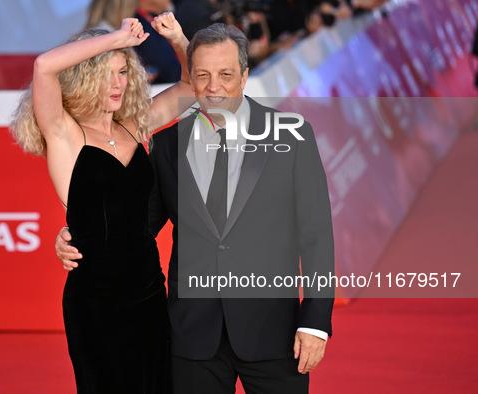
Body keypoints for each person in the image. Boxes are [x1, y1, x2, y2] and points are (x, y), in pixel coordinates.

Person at [57, 23, 334, 393]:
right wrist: (80, 233)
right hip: (191, 338)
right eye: (202, 75)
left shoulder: (292, 135)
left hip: (274, 334)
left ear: (245, 76)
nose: (213, 86)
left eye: (225, 75)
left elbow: (316, 235)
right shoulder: (167, 146)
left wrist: (315, 322)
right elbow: (136, 225)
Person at [11, 14, 193, 393]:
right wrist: (115, 39)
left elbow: (192, 86)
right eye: (107, 73)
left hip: (149, 293)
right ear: (84, 78)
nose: (118, 83)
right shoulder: (65, 134)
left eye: (124, 71)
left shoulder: (134, 124)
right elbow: (44, 67)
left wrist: (178, 39)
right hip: (97, 303)